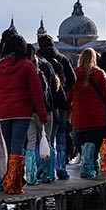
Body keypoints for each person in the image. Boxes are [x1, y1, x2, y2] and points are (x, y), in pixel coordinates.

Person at [0, 34, 48, 195]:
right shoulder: (27, 66)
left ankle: (6, 179)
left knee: (7, 147)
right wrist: (42, 115)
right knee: (17, 146)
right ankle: (14, 183)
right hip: (22, 111)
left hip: (3, 111)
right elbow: (37, 93)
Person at [68, 48, 106, 178]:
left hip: (79, 114)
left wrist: (67, 112)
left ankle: (87, 166)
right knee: (95, 141)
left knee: (84, 141)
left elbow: (69, 96)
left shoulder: (74, 74)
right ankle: (90, 166)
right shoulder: (100, 73)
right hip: (96, 114)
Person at [36, 34, 76, 179]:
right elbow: (73, 79)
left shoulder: (37, 60)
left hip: (46, 104)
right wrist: (63, 89)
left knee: (46, 137)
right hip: (61, 101)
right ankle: (61, 168)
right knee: (61, 136)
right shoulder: (63, 59)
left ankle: (46, 170)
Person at [27, 44, 56, 184]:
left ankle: (30, 176)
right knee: (46, 140)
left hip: (26, 112)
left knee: (31, 144)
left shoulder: (18, 71)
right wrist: (44, 113)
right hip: (41, 111)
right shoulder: (38, 72)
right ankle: (48, 174)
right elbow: (43, 93)